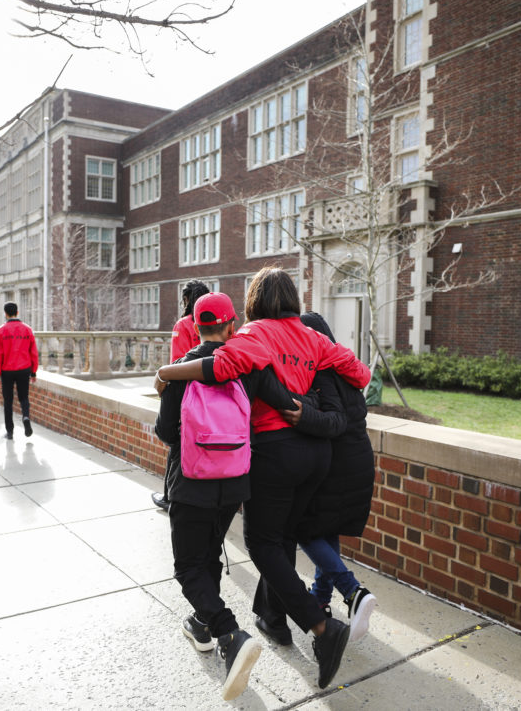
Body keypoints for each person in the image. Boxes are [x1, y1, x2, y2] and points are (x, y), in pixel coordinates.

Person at [155, 267, 372, 690]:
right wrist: (305, 401)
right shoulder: (314, 337)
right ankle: (275, 619)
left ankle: (322, 627)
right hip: (315, 454)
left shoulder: (254, 335)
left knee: (262, 544)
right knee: (283, 539)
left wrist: (166, 374)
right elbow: (360, 375)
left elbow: (219, 366)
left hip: (274, 452)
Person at [155, 292, 301, 701]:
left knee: (188, 567)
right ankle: (202, 627)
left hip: (190, 482)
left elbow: (167, 432)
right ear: (232, 325)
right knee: (208, 557)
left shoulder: (180, 371)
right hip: (234, 481)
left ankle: (229, 634)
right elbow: (285, 403)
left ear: (195, 326)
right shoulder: (246, 367)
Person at [258, 312, 378, 645]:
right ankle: (321, 598)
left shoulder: (322, 371)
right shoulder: (346, 367)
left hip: (335, 464)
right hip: (358, 460)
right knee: (325, 530)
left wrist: (301, 415)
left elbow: (333, 420)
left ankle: (352, 590)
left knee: (301, 530)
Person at [152, 279, 211, 511]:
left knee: (178, 446)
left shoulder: (184, 324)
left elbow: (177, 363)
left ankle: (169, 496)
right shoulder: (217, 325)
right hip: (213, 391)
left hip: (188, 392)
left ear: (187, 300)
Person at [0, 302, 38, 440]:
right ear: (17, 312)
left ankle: (10, 431)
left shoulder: (0, 331)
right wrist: (34, 372)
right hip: (24, 369)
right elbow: (34, 352)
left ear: (5, 313)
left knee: (8, 401)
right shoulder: (27, 329)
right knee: (24, 397)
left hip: (7, 370)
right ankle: (25, 416)